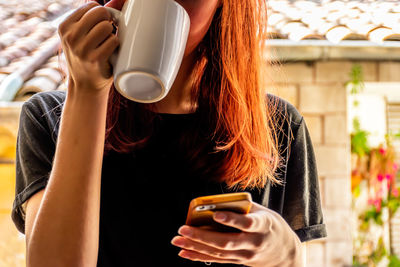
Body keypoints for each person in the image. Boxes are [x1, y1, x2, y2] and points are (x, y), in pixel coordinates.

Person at [11, 0, 327, 266]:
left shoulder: (277, 126)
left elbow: (297, 259)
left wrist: (284, 250)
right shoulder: (49, 118)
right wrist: (87, 92)